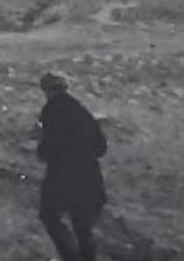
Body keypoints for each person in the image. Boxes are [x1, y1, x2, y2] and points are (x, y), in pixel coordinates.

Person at [35, 71, 108, 261]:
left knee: (49, 215)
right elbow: (101, 147)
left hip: (61, 177)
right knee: (83, 227)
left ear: (48, 90)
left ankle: (70, 257)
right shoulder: (82, 111)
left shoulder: (51, 112)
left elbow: (46, 151)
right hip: (89, 176)